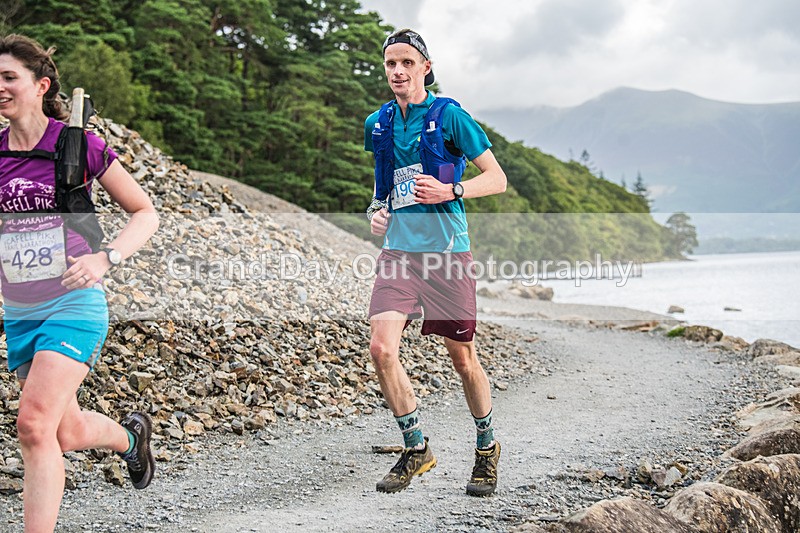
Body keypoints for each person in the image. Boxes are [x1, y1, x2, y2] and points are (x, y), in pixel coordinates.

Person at [0, 34, 159, 532]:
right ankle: (132, 440)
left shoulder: (77, 145)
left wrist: (105, 258)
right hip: (19, 311)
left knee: (32, 425)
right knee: (62, 432)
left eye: (9, 78)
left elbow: (144, 212)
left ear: (41, 84)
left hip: (74, 302)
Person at [364, 28, 507, 496]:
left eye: (407, 62)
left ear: (426, 67)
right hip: (399, 254)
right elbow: (380, 190)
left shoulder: (450, 117)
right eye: (391, 64)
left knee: (462, 360)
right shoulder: (378, 123)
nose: (398, 71)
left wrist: (452, 189)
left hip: (447, 256)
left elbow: (497, 178)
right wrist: (376, 213)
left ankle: (486, 447)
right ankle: (416, 446)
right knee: (382, 349)